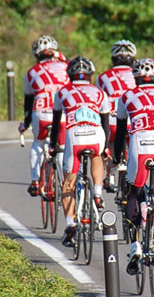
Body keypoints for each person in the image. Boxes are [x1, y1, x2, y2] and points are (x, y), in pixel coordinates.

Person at [113, 58, 154, 274]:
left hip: (141, 144)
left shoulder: (126, 96)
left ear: (135, 77)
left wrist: (116, 158)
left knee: (134, 193)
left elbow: (121, 132)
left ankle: (135, 247)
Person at [49, 56, 111, 247]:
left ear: (69, 75)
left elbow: (56, 123)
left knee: (68, 183)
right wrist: (106, 147)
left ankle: (70, 223)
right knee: (97, 156)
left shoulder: (62, 92)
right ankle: (98, 193)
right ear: (91, 76)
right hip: (96, 133)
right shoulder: (100, 93)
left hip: (74, 135)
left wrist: (53, 147)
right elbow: (106, 127)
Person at [19, 35, 69, 197]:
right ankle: (63, 182)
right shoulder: (66, 67)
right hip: (61, 112)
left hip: (41, 112)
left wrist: (26, 123)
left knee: (38, 143)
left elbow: (28, 100)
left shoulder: (31, 72)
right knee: (61, 147)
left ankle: (34, 180)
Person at [96, 40, 137, 191]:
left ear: (113, 59)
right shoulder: (137, 74)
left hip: (113, 121)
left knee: (108, 140)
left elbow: (98, 102)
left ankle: (108, 174)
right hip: (134, 122)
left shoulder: (102, 77)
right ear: (133, 60)